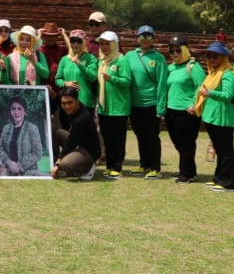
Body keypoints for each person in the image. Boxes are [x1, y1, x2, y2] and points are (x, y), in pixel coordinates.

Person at [196, 40, 234, 192]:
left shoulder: (229, 74)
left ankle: (228, 183)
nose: (212, 59)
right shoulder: (212, 73)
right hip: (212, 117)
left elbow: (228, 95)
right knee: (220, 150)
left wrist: (210, 93)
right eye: (209, 56)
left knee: (226, 151)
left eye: (216, 56)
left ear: (223, 58)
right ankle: (219, 178)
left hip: (223, 117)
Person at [124, 24, 167, 179]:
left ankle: (155, 167)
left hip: (151, 103)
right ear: (138, 38)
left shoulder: (158, 58)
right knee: (140, 135)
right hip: (135, 104)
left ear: (153, 39)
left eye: (149, 36)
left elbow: (162, 84)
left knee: (152, 136)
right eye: (142, 36)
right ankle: (144, 164)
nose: (145, 39)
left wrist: (161, 109)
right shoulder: (129, 56)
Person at [163, 37, 205, 183]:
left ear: (186, 50)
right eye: (172, 51)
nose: (175, 53)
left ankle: (186, 173)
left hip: (187, 112)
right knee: (177, 142)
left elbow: (200, 87)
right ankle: (189, 170)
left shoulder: (193, 67)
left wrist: (194, 105)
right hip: (171, 110)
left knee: (186, 143)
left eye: (178, 50)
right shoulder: (171, 68)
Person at [95, 30, 132, 179]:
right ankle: (109, 166)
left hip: (119, 107)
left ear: (114, 44)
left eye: (107, 44)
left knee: (118, 139)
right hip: (105, 108)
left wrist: (112, 79)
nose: (104, 47)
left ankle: (117, 166)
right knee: (108, 139)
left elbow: (127, 81)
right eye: (102, 44)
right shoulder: (101, 61)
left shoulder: (121, 60)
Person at [49, 86, 99, 180]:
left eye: (70, 102)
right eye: (64, 103)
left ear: (76, 100)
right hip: (78, 142)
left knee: (66, 164)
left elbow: (71, 142)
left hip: (89, 150)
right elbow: (56, 102)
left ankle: (88, 168)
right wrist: (50, 92)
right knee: (57, 133)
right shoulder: (74, 107)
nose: (67, 106)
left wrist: (59, 163)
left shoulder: (81, 119)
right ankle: (54, 162)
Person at [0, 96, 42, 176]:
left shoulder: (32, 128)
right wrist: (9, 163)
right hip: (9, 172)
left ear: (24, 111)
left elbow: (37, 152)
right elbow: (1, 148)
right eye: (13, 109)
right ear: (10, 111)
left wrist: (19, 166)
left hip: (29, 173)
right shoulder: (6, 128)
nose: (16, 112)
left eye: (19, 108)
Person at [55, 29, 98, 107]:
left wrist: (80, 64)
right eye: (72, 41)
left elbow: (93, 77)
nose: (75, 44)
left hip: (84, 102)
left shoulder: (90, 58)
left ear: (84, 42)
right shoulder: (65, 59)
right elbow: (58, 79)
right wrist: (65, 83)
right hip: (67, 103)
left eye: (79, 41)